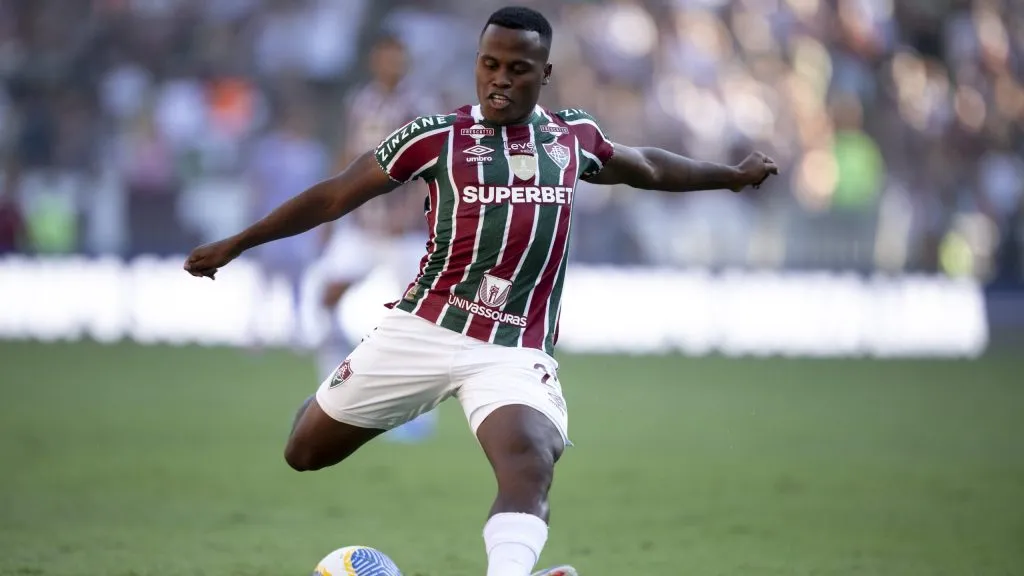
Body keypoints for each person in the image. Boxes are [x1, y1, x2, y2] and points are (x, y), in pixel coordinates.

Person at [183, 7, 778, 576]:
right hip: (423, 327)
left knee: (529, 459)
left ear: (544, 74)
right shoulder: (435, 137)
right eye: (489, 64)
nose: (500, 80)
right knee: (304, 450)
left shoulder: (573, 138)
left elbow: (647, 166)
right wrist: (237, 244)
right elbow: (336, 194)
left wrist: (730, 177)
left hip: (512, 346)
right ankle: (337, 390)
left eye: (517, 69)